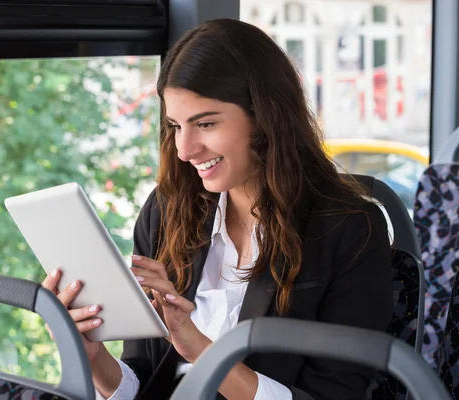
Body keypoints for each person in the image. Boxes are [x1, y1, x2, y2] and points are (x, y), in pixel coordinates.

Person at [42, 18, 393, 400]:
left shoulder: (350, 230)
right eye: (175, 125)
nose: (184, 150)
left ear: (264, 117)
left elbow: (334, 395)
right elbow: (145, 383)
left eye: (205, 124)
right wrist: (92, 358)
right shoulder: (166, 213)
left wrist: (201, 348)